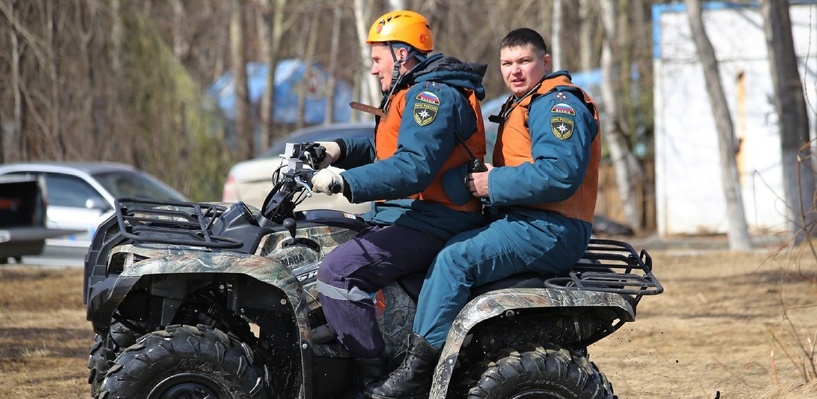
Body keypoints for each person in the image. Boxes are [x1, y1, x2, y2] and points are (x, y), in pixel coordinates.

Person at [365, 27, 602, 399]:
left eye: (524, 61)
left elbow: (560, 175)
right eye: (507, 63)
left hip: (549, 227)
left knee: (454, 260)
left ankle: (417, 374)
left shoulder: (559, 104)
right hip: (528, 220)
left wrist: (492, 184)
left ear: (546, 62)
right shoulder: (526, 102)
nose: (515, 71)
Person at [308, 9, 488, 385]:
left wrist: (344, 182)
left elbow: (414, 167)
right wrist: (337, 150)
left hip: (436, 217)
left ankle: (373, 379)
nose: (374, 69)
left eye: (377, 59)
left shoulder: (433, 97)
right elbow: (388, 149)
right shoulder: (411, 89)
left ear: (402, 53)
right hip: (410, 214)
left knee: (338, 273)